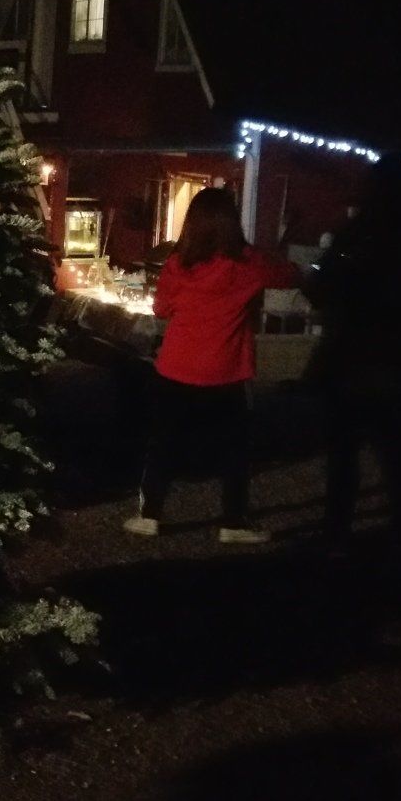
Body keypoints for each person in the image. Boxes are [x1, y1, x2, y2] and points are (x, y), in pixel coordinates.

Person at [124, 187, 299, 544]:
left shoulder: (179, 264)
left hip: (176, 368)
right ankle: (233, 523)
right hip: (227, 372)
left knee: (163, 444)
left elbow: (161, 310)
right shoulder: (248, 266)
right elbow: (289, 275)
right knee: (234, 451)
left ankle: (149, 515)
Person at [304, 158, 401, 548]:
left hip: (352, 353)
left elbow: (323, 286)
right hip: (394, 353)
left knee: (345, 451)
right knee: (394, 451)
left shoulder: (359, 233)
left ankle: (338, 531)